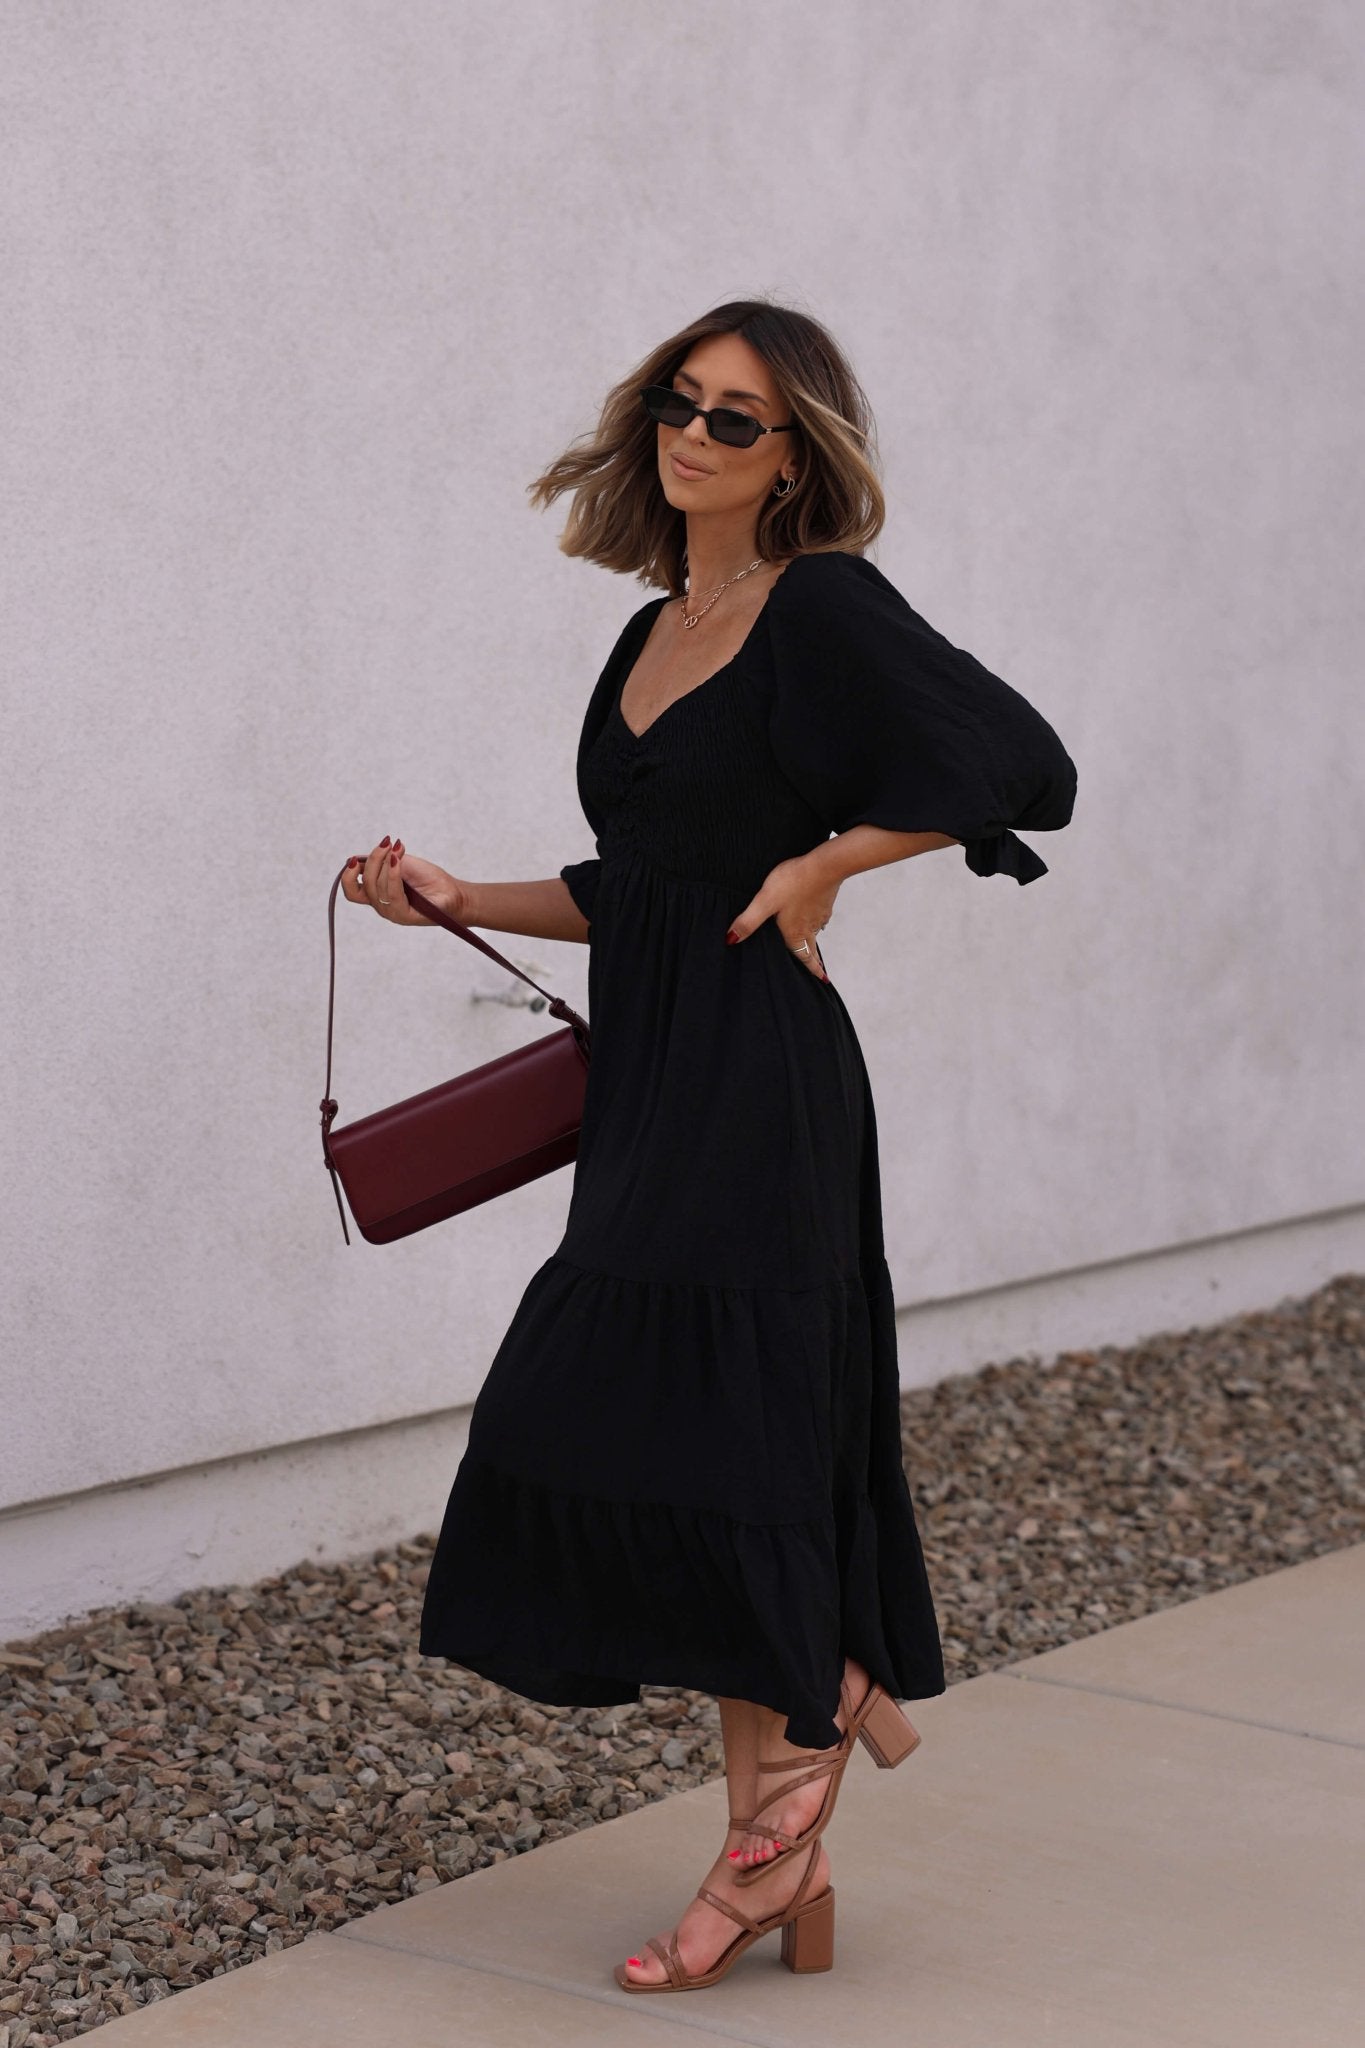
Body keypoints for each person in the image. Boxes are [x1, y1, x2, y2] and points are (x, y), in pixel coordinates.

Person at [339, 298, 1078, 1994]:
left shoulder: (820, 605)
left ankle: (773, 1841)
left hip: (766, 1090)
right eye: (680, 403)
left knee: (718, 1435)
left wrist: (832, 865)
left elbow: (1020, 766)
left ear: (795, 450)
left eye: (737, 417)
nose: (694, 435)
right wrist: (451, 895)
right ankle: (817, 1733)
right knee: (618, 1416)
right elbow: (635, 890)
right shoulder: (649, 629)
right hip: (658, 1086)